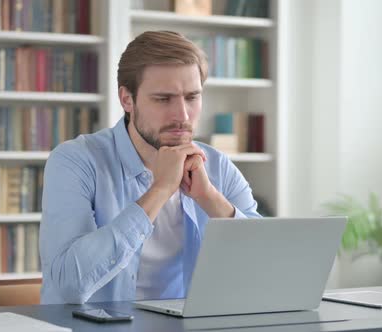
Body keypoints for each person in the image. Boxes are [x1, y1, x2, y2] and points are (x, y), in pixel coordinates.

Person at [39, 31, 261, 305]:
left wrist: (210, 199)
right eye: (163, 99)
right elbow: (68, 286)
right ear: (127, 99)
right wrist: (161, 189)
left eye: (192, 97)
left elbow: (265, 269)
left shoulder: (216, 165)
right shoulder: (75, 161)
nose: (182, 115)